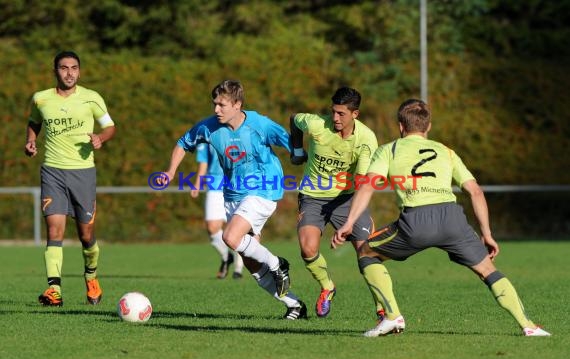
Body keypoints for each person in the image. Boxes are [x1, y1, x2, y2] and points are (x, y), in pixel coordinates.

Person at [332, 98, 550, 337]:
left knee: (365, 253)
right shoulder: (446, 151)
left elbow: (366, 188)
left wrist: (350, 222)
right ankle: (528, 325)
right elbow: (475, 191)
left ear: (401, 126)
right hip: (453, 220)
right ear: (428, 127)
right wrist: (487, 234)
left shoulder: (389, 150)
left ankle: (393, 316)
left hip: (416, 221)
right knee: (488, 269)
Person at [159, 79, 307, 319]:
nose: (216, 109)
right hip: (233, 195)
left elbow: (288, 140)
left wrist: (298, 153)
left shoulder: (259, 124)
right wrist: (171, 171)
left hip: (263, 188)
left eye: (222, 105)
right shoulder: (209, 127)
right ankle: (295, 305)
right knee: (250, 261)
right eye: (214, 104)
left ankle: (278, 264)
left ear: (237, 104)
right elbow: (182, 143)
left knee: (230, 237)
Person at [24, 51, 117, 307]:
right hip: (52, 172)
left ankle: (91, 276)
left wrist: (101, 137)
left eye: (74, 68)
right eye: (63, 68)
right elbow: (34, 122)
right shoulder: (41, 99)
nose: (69, 73)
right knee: (54, 231)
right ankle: (54, 289)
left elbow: (110, 126)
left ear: (79, 70)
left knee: (86, 235)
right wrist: (31, 141)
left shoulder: (91, 98)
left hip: (83, 173)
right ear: (55, 70)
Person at [289, 87, 378, 317]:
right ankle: (327, 286)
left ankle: (382, 309)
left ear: (355, 114)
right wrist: (297, 149)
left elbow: (362, 184)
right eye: (334, 112)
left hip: (347, 198)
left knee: (366, 253)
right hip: (313, 196)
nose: (335, 118)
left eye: (342, 114)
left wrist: (349, 223)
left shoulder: (366, 140)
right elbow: (294, 120)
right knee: (308, 249)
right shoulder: (317, 124)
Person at [191, 143, 243, 279]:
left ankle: (239, 268)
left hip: (237, 185)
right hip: (214, 185)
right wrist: (197, 183)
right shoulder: (207, 134)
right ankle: (227, 256)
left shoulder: (241, 129)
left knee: (239, 228)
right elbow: (204, 161)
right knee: (212, 227)